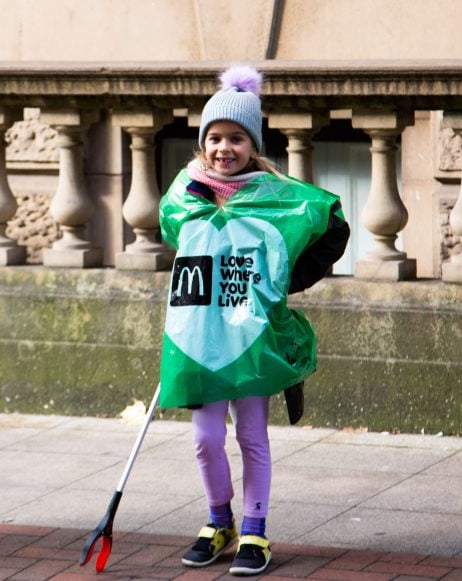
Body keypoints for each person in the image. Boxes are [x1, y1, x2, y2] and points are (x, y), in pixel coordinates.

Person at [158, 65, 350, 575]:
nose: (225, 148)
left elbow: (328, 221)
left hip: (251, 335)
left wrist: (284, 279)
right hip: (198, 337)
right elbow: (173, 231)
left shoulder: (273, 194)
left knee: (251, 435)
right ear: (203, 143)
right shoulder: (184, 194)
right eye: (215, 138)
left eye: (237, 138)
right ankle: (218, 519)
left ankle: (255, 531)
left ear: (252, 144)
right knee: (204, 437)